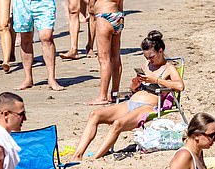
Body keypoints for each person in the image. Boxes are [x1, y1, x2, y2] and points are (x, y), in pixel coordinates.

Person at [74, 31, 184, 159]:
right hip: (132, 102)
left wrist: (156, 80)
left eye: (152, 57)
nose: (149, 60)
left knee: (117, 124)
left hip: (148, 106)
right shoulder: (147, 64)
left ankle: (95, 158)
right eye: (146, 57)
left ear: (160, 51)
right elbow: (135, 88)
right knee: (95, 115)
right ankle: (77, 155)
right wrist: (135, 84)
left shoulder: (169, 68)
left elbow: (180, 86)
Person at [85, 0, 129, 105]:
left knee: (104, 58)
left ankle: (103, 96)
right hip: (118, 15)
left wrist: (89, 1)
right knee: (116, 57)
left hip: (104, 16)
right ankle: (115, 93)